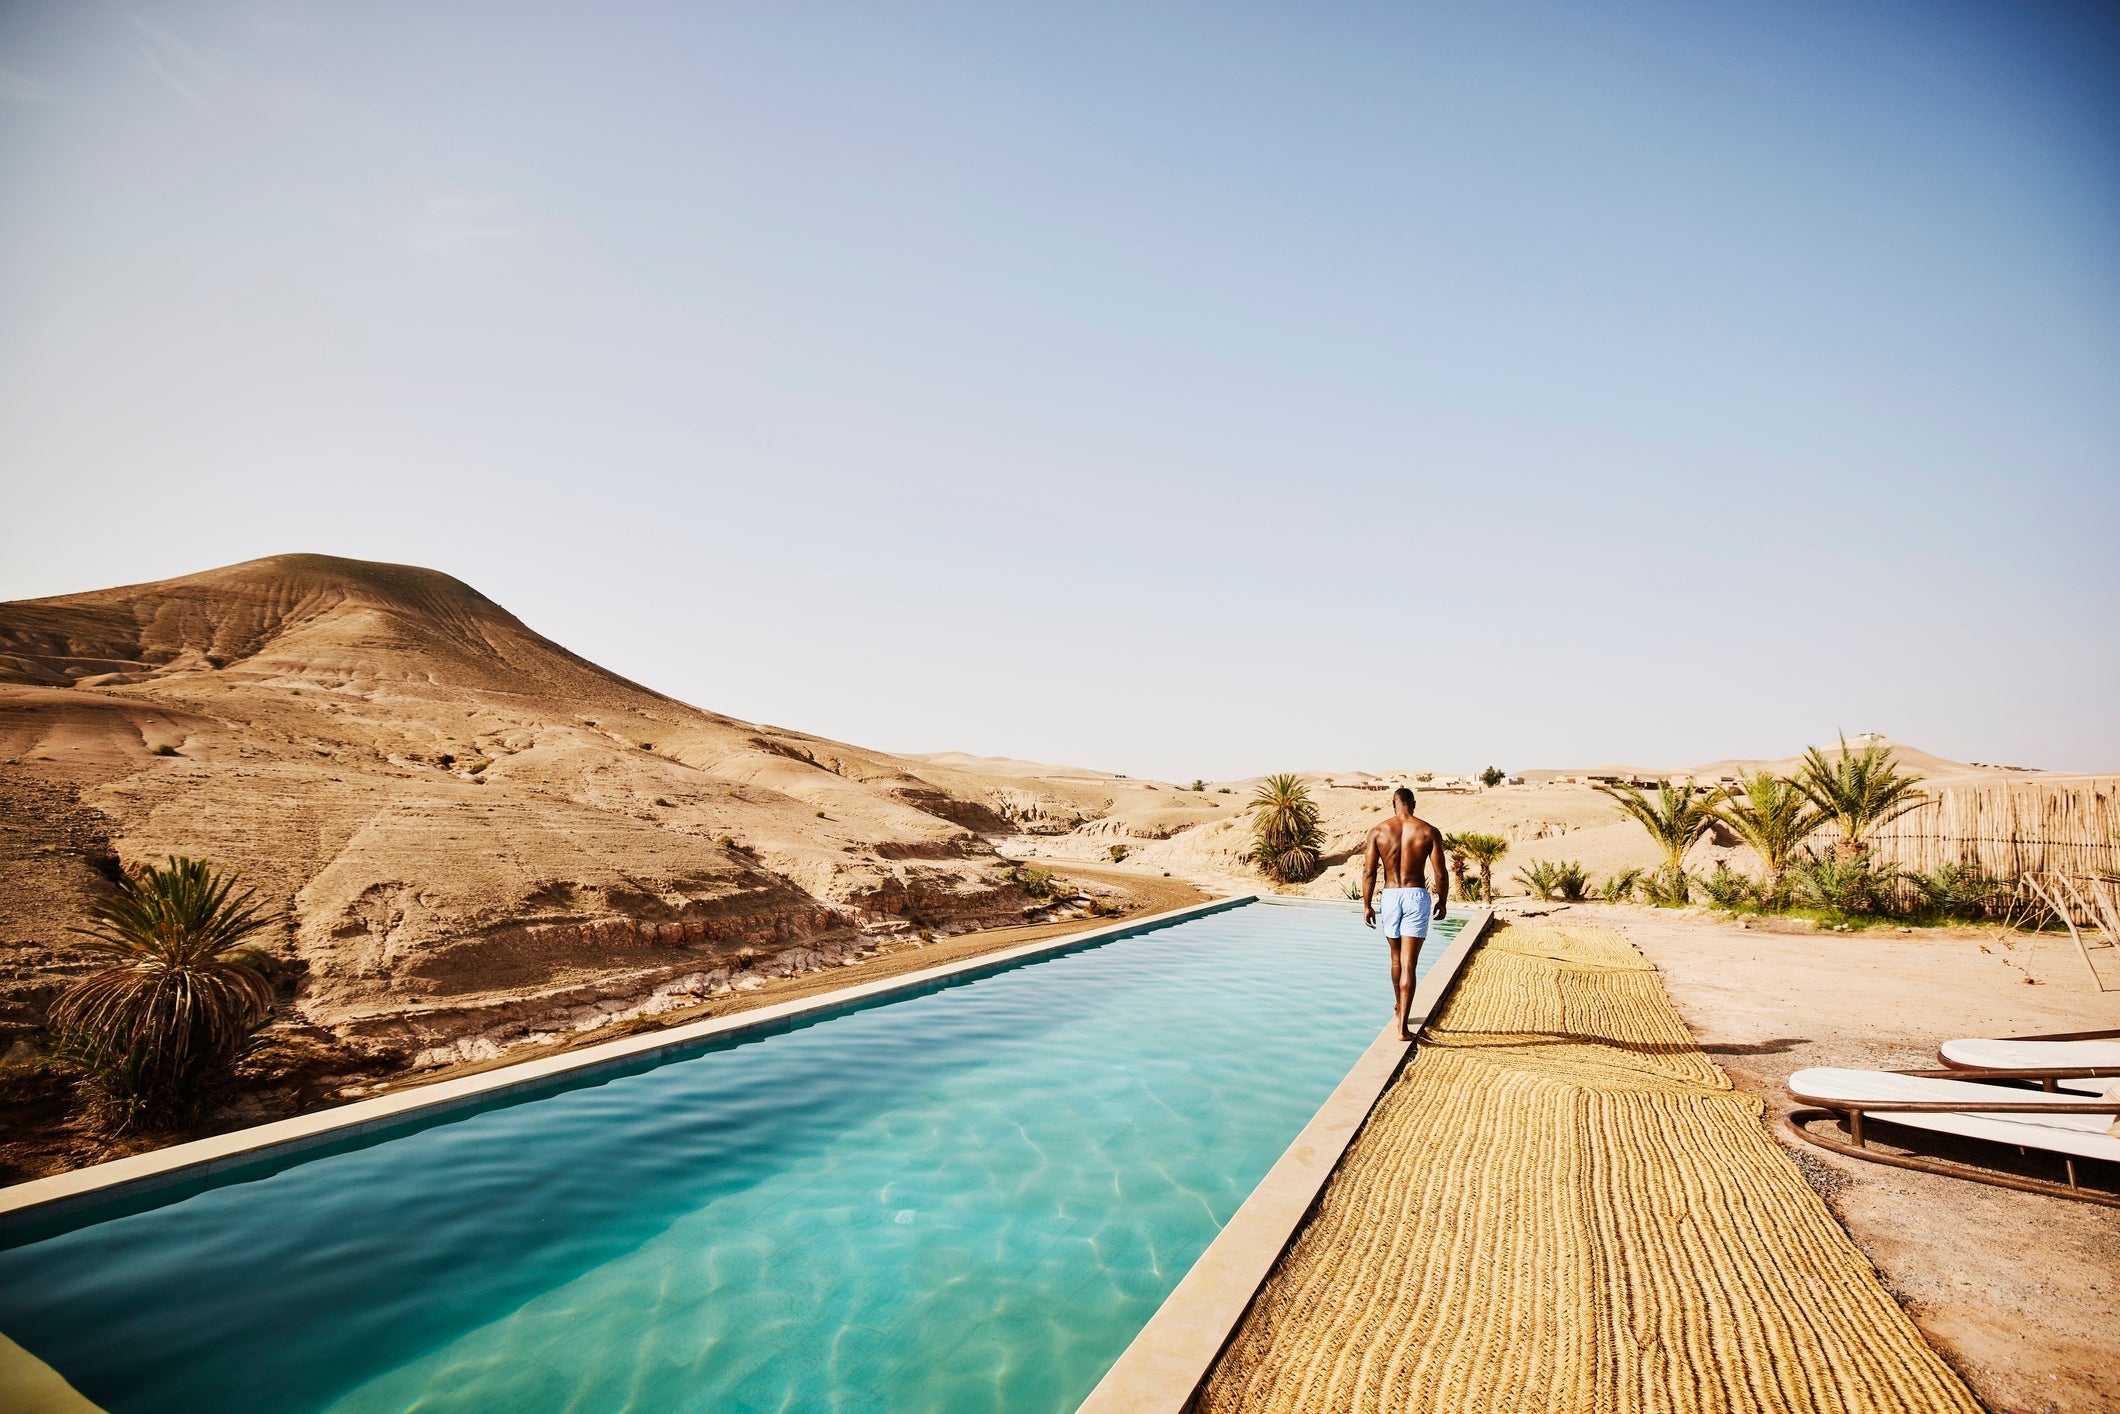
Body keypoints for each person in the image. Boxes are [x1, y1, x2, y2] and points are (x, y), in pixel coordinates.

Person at [1361, 786, 1449, 1042]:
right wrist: (1442, 900)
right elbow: (1440, 873)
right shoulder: (1427, 831)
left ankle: (1399, 1008)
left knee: (1396, 959)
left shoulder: (1378, 831)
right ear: (1414, 803)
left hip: (1389, 896)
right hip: (1415, 895)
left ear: (1393, 804)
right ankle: (1402, 1028)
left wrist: (1367, 904)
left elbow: (1369, 872)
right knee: (1410, 963)